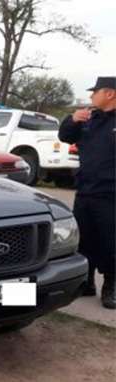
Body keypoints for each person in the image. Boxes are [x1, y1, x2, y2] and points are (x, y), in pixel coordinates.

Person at [58, 76, 116, 309]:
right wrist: (72, 119)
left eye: (96, 91)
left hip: (111, 194)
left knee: (111, 242)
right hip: (85, 191)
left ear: (110, 93)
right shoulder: (88, 118)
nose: (92, 96)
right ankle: (87, 281)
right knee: (83, 239)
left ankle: (111, 286)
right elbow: (65, 136)